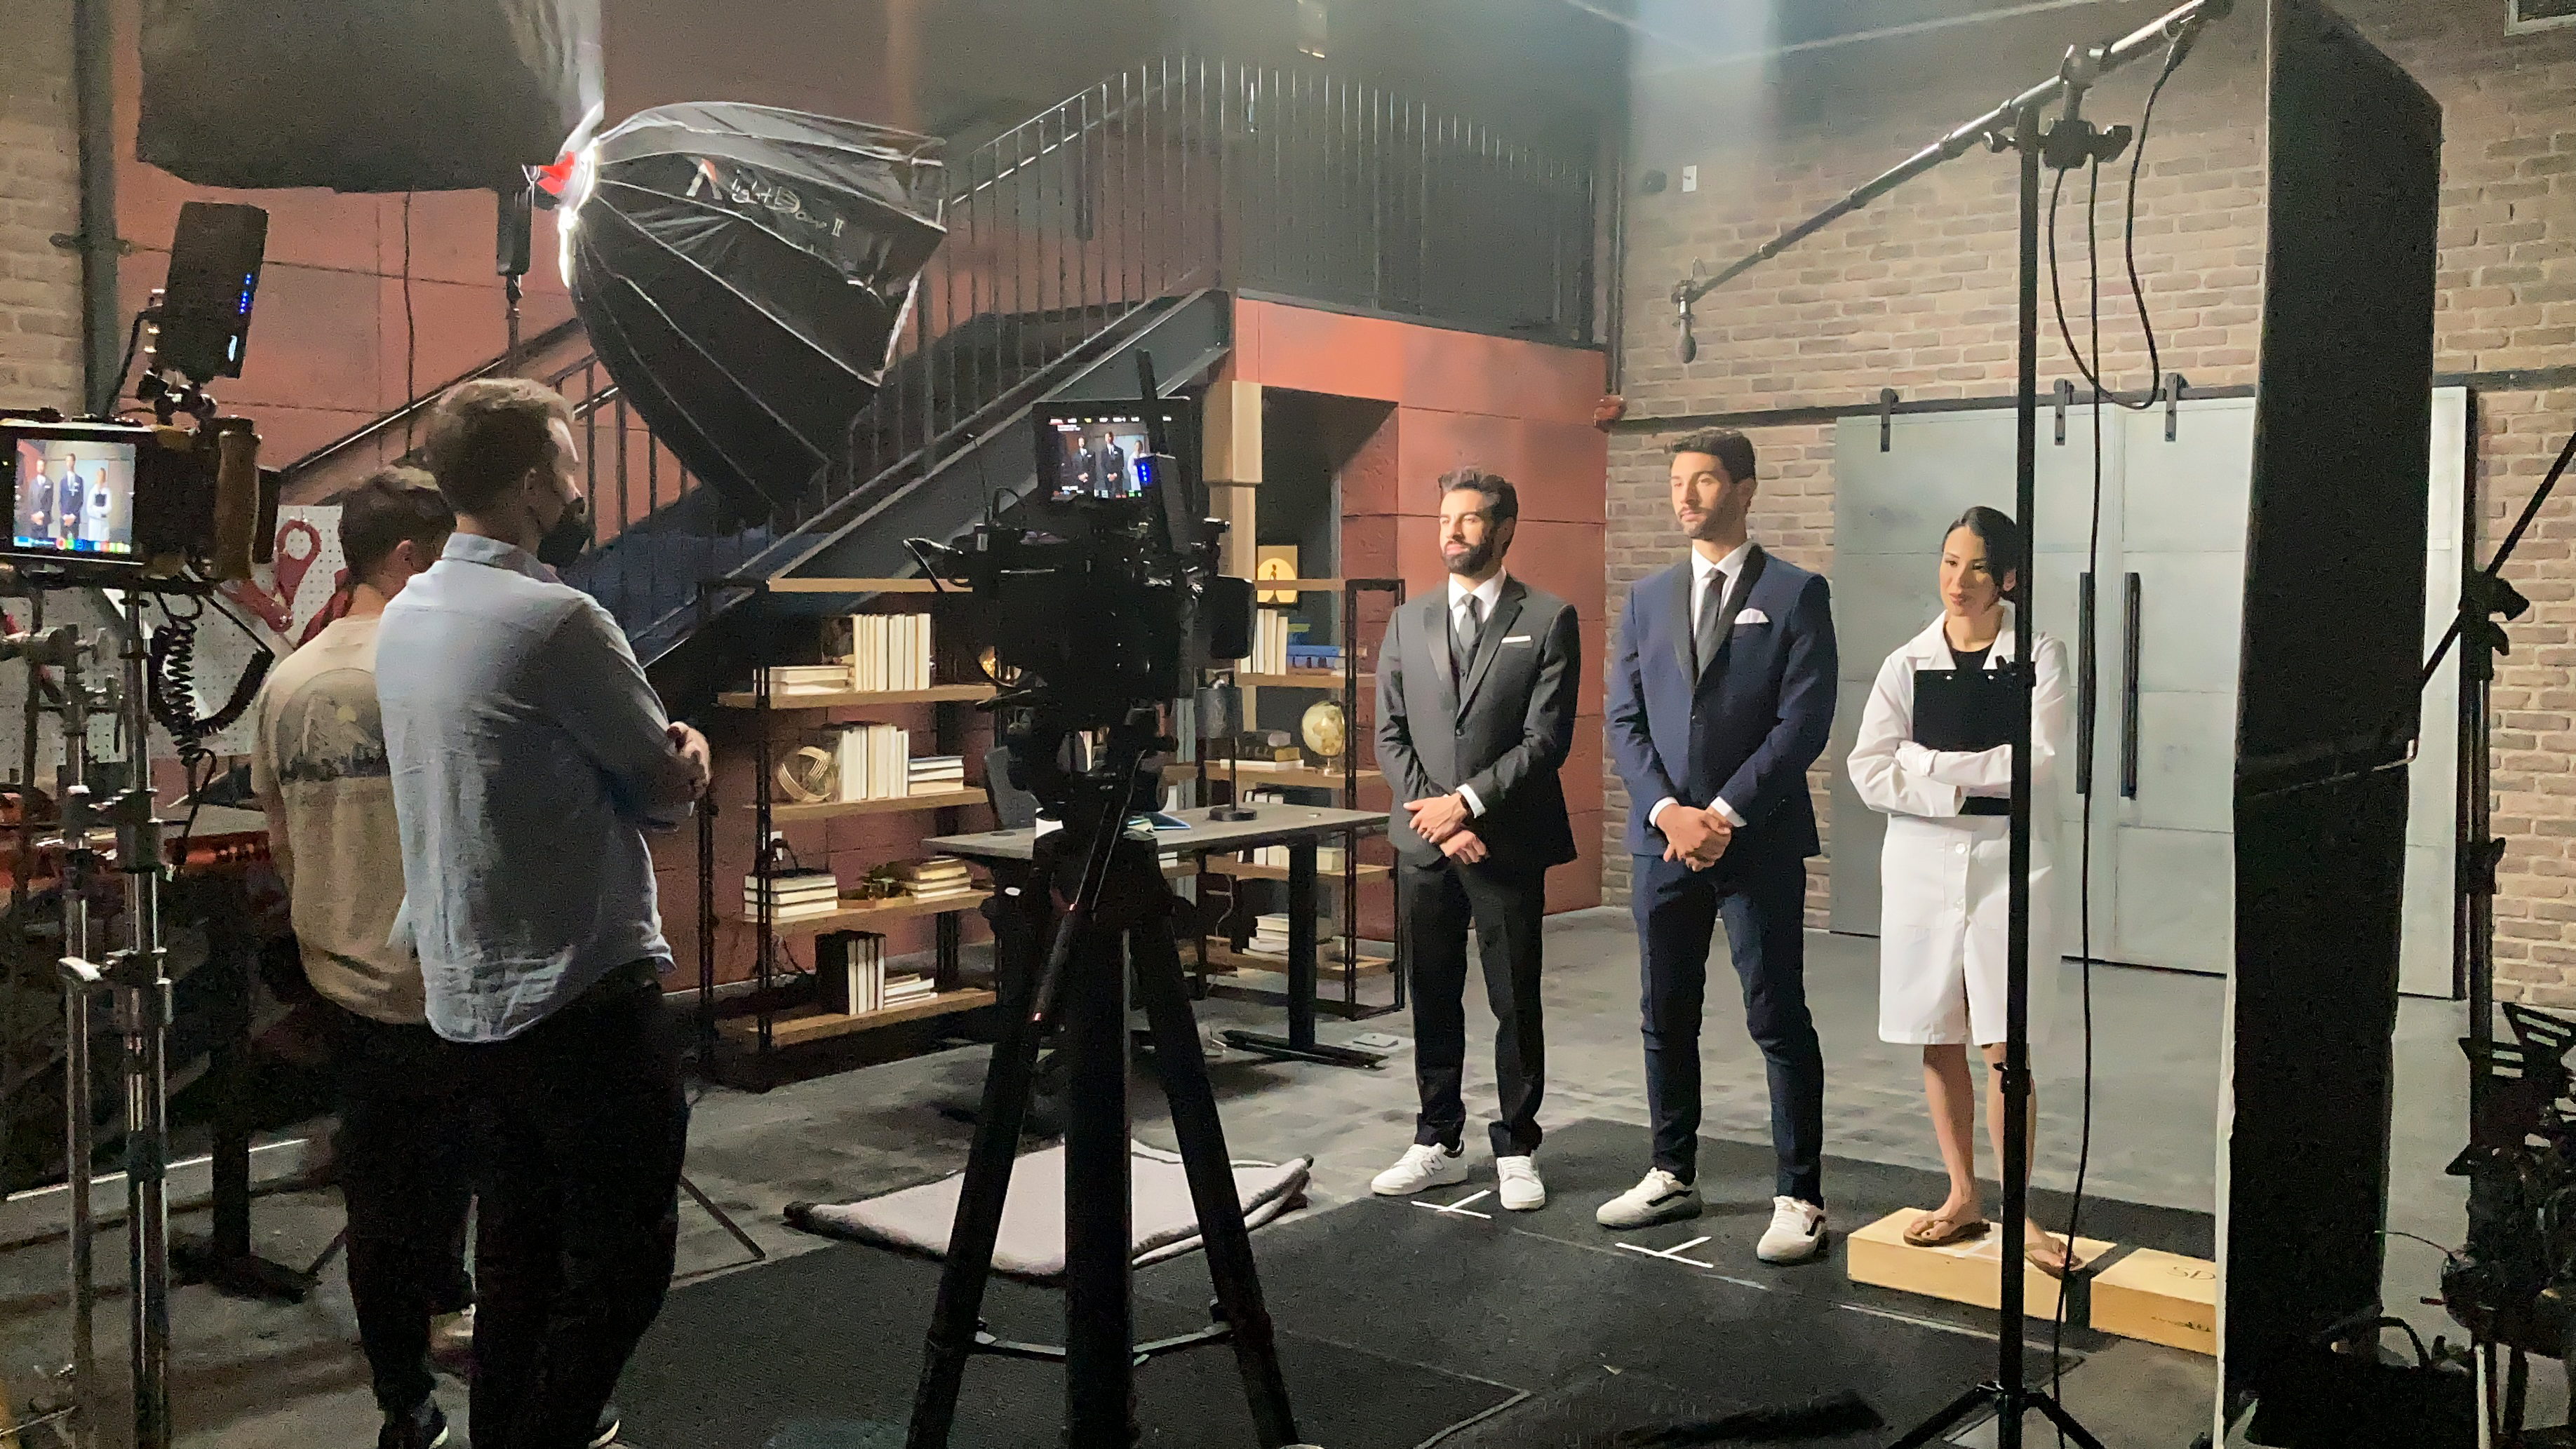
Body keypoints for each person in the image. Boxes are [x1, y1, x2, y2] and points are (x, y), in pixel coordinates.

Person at [379, 377, 711, 1449]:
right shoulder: (558, 618)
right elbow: (657, 779)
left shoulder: (410, 611)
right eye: (570, 463)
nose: (579, 482)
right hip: (581, 992)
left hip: (470, 999)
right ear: (533, 485)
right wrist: (693, 759)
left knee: (518, 1254)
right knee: (620, 1263)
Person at [251, 468, 476, 1449]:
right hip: (441, 978)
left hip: (344, 976)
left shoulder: (288, 678)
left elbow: (282, 837)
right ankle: (485, 1350)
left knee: (383, 1201)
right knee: (490, 1175)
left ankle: (404, 1404)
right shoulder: (434, 667)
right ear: (407, 557)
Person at [1600, 427, 1837, 1264]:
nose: (1687, 495)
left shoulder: (1798, 592)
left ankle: (1800, 1193)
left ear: (1745, 488)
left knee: (1775, 1013)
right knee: (1665, 1012)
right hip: (1661, 841)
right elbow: (1624, 721)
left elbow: (1803, 722)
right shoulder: (1646, 597)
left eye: (1704, 480)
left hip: (1757, 840)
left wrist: (1723, 814)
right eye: (1677, 481)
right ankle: (1672, 1169)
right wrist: (1670, 812)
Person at [1846, 506, 2072, 1272]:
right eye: (1948, 562)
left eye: (1977, 566)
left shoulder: (2039, 653)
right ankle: (1962, 1193)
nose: (1959, 581)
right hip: (1919, 858)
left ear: (2007, 575)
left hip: (2010, 857)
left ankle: (2020, 1210)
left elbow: (2035, 759)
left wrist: (1931, 763)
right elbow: (1869, 768)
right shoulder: (1905, 662)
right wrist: (1949, 786)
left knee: (2006, 1039)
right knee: (1936, 1028)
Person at [1367, 469, 1580, 1211]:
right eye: (1445, 518)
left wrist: (1466, 804)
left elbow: (1545, 738)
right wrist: (1435, 816)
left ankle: (1518, 1145)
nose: (1451, 531)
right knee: (1431, 992)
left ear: (1505, 527)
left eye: (1469, 519)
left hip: (1506, 841)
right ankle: (1437, 1139)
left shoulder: (1549, 618)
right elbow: (1388, 732)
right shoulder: (1408, 619)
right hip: (1427, 842)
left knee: (1513, 997)